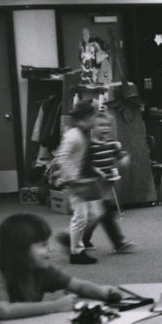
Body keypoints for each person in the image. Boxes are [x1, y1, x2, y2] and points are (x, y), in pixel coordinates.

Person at [0, 213, 122, 320]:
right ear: (19, 249)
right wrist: (54, 306)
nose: (51, 249)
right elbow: (3, 310)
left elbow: (78, 285)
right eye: (43, 245)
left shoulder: (41, 270)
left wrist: (102, 292)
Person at [53, 99, 103, 265]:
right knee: (81, 216)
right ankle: (76, 252)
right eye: (93, 117)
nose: (95, 121)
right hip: (75, 181)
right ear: (86, 118)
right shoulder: (73, 135)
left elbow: (83, 158)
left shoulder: (83, 134)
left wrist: (94, 171)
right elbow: (62, 157)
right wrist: (72, 178)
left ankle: (68, 237)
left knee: (95, 214)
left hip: (84, 179)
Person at [80, 109, 133, 253]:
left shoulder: (112, 144)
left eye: (107, 125)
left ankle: (83, 239)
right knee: (105, 213)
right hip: (93, 184)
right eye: (101, 125)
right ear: (93, 127)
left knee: (98, 215)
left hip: (107, 185)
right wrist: (97, 172)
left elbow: (120, 157)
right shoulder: (90, 146)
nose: (105, 128)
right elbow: (85, 166)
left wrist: (124, 158)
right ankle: (119, 243)